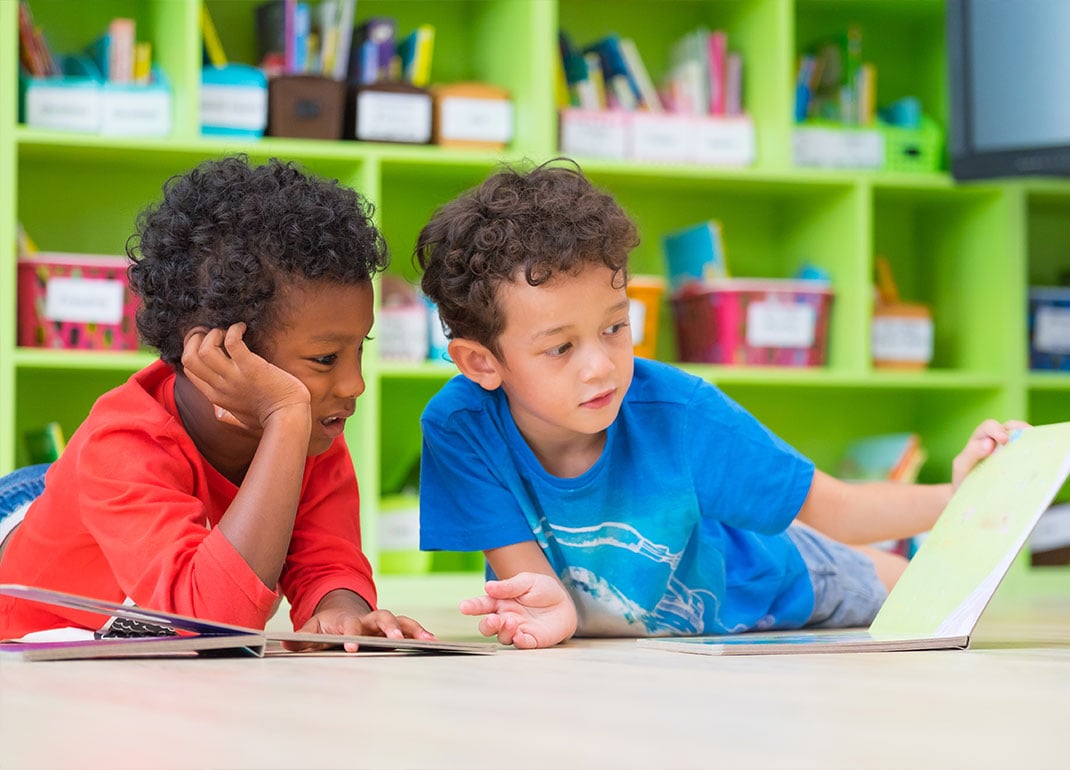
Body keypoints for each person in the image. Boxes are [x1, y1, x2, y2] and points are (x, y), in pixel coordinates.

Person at [414, 158, 1026, 650]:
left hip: (777, 578)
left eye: (615, 328)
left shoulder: (680, 413)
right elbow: (542, 592)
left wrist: (963, 498)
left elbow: (833, 507)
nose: (600, 365)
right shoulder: (460, 427)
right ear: (481, 363)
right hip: (663, 624)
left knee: (933, 596)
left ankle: (900, 552)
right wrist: (551, 611)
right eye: (560, 348)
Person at [0, 155, 434, 650]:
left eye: (361, 349)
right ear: (219, 354)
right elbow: (212, 627)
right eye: (325, 358)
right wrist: (285, 418)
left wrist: (342, 612)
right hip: (21, 547)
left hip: (106, 518)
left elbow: (326, 561)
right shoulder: (124, 444)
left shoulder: (312, 434)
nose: (354, 384)